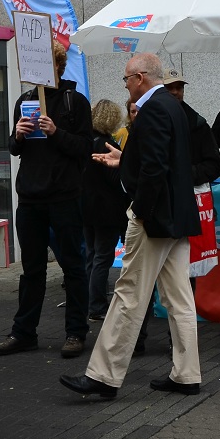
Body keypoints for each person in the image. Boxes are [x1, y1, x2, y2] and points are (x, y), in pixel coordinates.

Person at [59, 53, 202, 398]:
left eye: (126, 79)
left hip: (154, 219)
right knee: (180, 300)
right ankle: (187, 374)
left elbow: (155, 170)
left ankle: (104, 376)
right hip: (177, 217)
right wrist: (126, 160)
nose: (125, 85)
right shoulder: (174, 107)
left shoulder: (153, 109)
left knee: (127, 294)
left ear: (139, 78)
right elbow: (165, 161)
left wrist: (139, 210)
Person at [0, 40, 93, 359]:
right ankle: (24, 332)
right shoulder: (24, 101)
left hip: (64, 196)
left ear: (58, 67)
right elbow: (13, 148)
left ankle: (76, 332)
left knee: (73, 266)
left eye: (43, 65)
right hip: (30, 198)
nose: (35, 72)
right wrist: (18, 135)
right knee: (31, 269)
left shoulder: (74, 101)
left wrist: (56, 132)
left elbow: (85, 148)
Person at [135, 67, 220, 355]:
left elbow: (214, 164)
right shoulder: (150, 114)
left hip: (185, 207)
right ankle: (139, 336)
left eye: (179, 88)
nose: (176, 92)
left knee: (185, 278)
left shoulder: (196, 122)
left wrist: (184, 175)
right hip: (160, 208)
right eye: (171, 87)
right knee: (145, 279)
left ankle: (181, 343)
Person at [83, 99, 128, 322]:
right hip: (106, 211)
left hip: (86, 209)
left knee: (91, 256)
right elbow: (118, 182)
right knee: (103, 258)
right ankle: (97, 307)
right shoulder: (109, 146)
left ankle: (88, 303)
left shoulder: (84, 142)